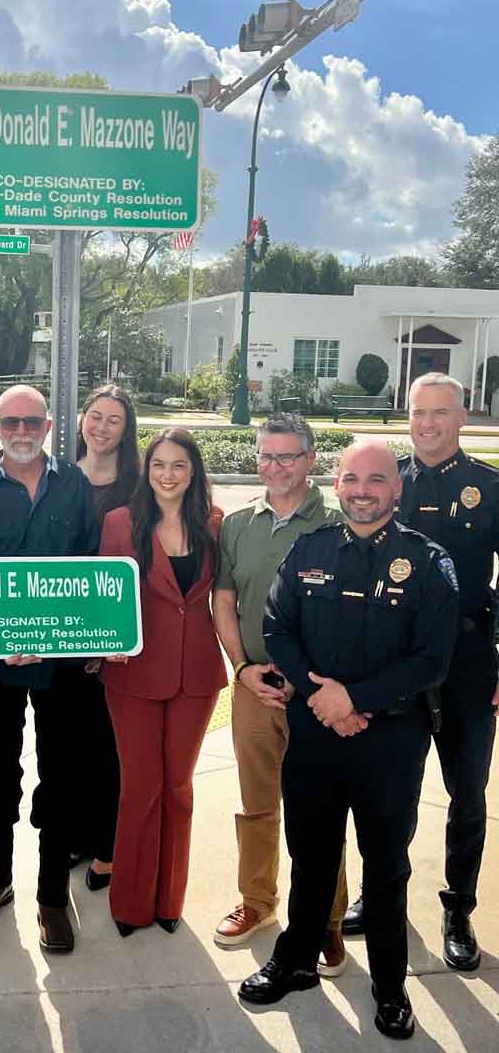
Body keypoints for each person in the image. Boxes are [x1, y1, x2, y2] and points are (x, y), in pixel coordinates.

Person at [239, 443, 458, 1041]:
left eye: (376, 480)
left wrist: (354, 702)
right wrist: (324, 700)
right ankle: (296, 961)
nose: (363, 489)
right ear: (338, 485)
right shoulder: (309, 550)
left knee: (386, 868)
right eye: (352, 478)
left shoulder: (428, 561)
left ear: (396, 490)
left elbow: (432, 659)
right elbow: (278, 629)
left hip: (390, 741)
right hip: (314, 733)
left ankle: (390, 985)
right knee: (310, 855)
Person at [343, 373, 499, 972]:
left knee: (467, 794)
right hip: (394, 665)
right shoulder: (385, 482)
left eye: (441, 412)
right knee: (387, 792)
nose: (428, 423)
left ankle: (458, 908)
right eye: (418, 412)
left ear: (463, 417)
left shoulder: (488, 487)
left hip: (466, 662)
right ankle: (379, 893)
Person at [0, 386, 98, 953]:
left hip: (60, 661)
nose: (22, 430)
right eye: (11, 421)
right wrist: (0, 640)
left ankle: (51, 898)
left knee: (60, 774)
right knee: (1, 772)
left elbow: (90, 573)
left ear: (47, 426)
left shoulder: (75, 486)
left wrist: (64, 637)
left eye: (31, 421)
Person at [212, 415, 349, 977]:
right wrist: (241, 668)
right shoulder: (239, 524)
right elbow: (223, 600)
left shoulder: (339, 525)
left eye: (288, 457)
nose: (275, 467)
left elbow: (351, 617)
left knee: (320, 810)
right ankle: (259, 901)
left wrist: (305, 675)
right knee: (258, 802)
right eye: (267, 456)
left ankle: (328, 920)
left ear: (311, 460)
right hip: (253, 687)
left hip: (315, 692)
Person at [97, 428, 226, 936]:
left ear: (193, 472)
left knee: (179, 788)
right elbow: (102, 594)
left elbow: (227, 598)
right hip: (133, 672)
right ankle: (131, 904)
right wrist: (97, 642)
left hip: (196, 674)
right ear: (146, 472)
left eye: (178, 465)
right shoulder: (120, 524)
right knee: (141, 788)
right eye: (158, 465)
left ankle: (170, 899)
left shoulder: (214, 524)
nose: (168, 475)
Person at [71, 385, 141, 891]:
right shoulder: (58, 479)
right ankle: (77, 833)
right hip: (57, 634)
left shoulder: (137, 487)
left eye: (114, 420)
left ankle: (107, 846)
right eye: (95, 416)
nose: (102, 427)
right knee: (73, 746)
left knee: (111, 745)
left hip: (112, 641)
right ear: (81, 421)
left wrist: (103, 641)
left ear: (126, 430)